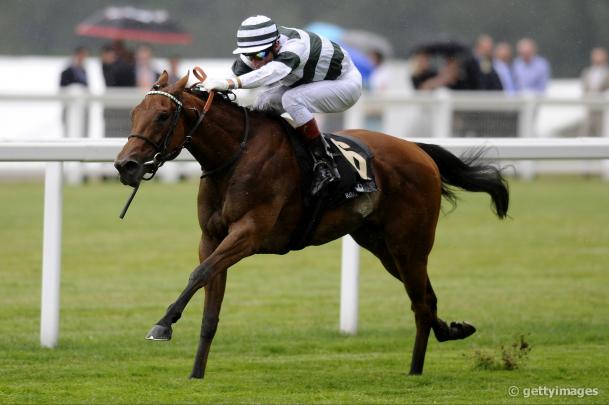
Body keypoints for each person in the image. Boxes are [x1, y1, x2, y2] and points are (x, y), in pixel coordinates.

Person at [200, 15, 363, 195]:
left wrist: (229, 83)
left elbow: (271, 73)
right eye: (249, 55)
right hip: (306, 83)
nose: (255, 62)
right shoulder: (258, 50)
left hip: (345, 85)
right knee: (263, 102)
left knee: (291, 99)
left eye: (260, 55)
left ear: (276, 45)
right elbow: (235, 77)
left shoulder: (295, 47)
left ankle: (325, 163)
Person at [580, 47, 609, 136]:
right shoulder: (587, 72)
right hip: (590, 105)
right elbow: (584, 88)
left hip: (603, 105)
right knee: (586, 129)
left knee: (601, 129)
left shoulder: (607, 73)